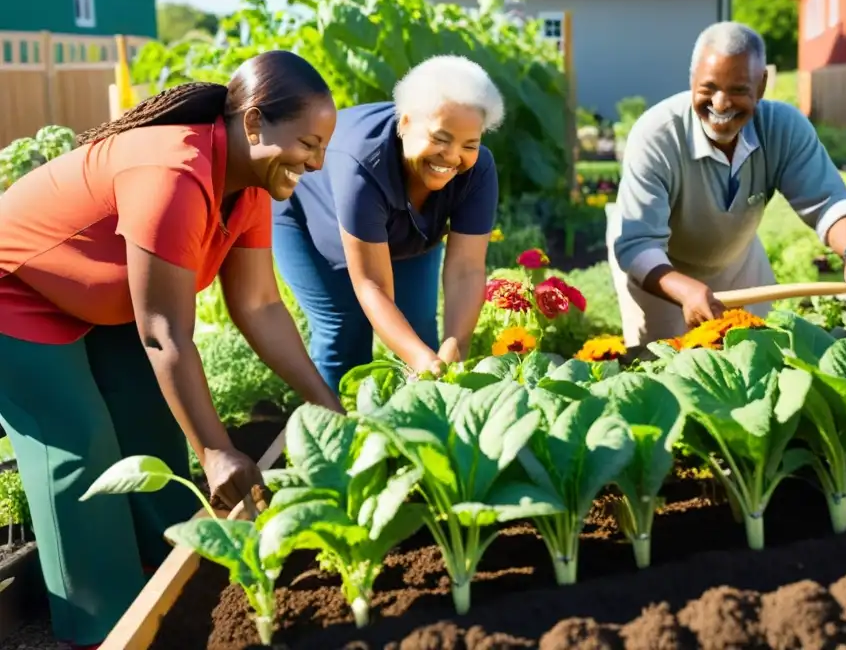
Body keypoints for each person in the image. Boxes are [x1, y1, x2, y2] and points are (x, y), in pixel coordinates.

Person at [0, 50, 344, 649]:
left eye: (322, 150)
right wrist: (215, 449)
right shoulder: (175, 171)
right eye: (308, 144)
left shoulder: (251, 187)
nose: (314, 164)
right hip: (15, 289)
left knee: (153, 422)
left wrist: (325, 402)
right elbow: (165, 332)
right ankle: (101, 623)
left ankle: (172, 574)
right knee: (78, 445)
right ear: (255, 123)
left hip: (96, 299)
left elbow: (260, 306)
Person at [609, 21, 846, 346]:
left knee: (758, 361)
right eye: (708, 88)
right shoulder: (657, 134)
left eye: (738, 90)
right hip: (662, 274)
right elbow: (638, 244)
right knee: (664, 371)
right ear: (692, 80)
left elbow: (830, 202)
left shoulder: (782, 127)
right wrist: (685, 289)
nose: (721, 104)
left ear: (761, 85)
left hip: (739, 264)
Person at [272, 55, 503, 392]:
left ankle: (418, 430)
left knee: (421, 333)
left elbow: (467, 268)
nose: (452, 156)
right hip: (308, 219)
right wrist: (424, 363)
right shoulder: (361, 163)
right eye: (440, 139)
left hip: (406, 234)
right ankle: (335, 429)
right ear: (406, 122)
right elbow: (372, 284)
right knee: (344, 331)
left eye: (469, 143)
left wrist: (455, 348)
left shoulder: (477, 168)